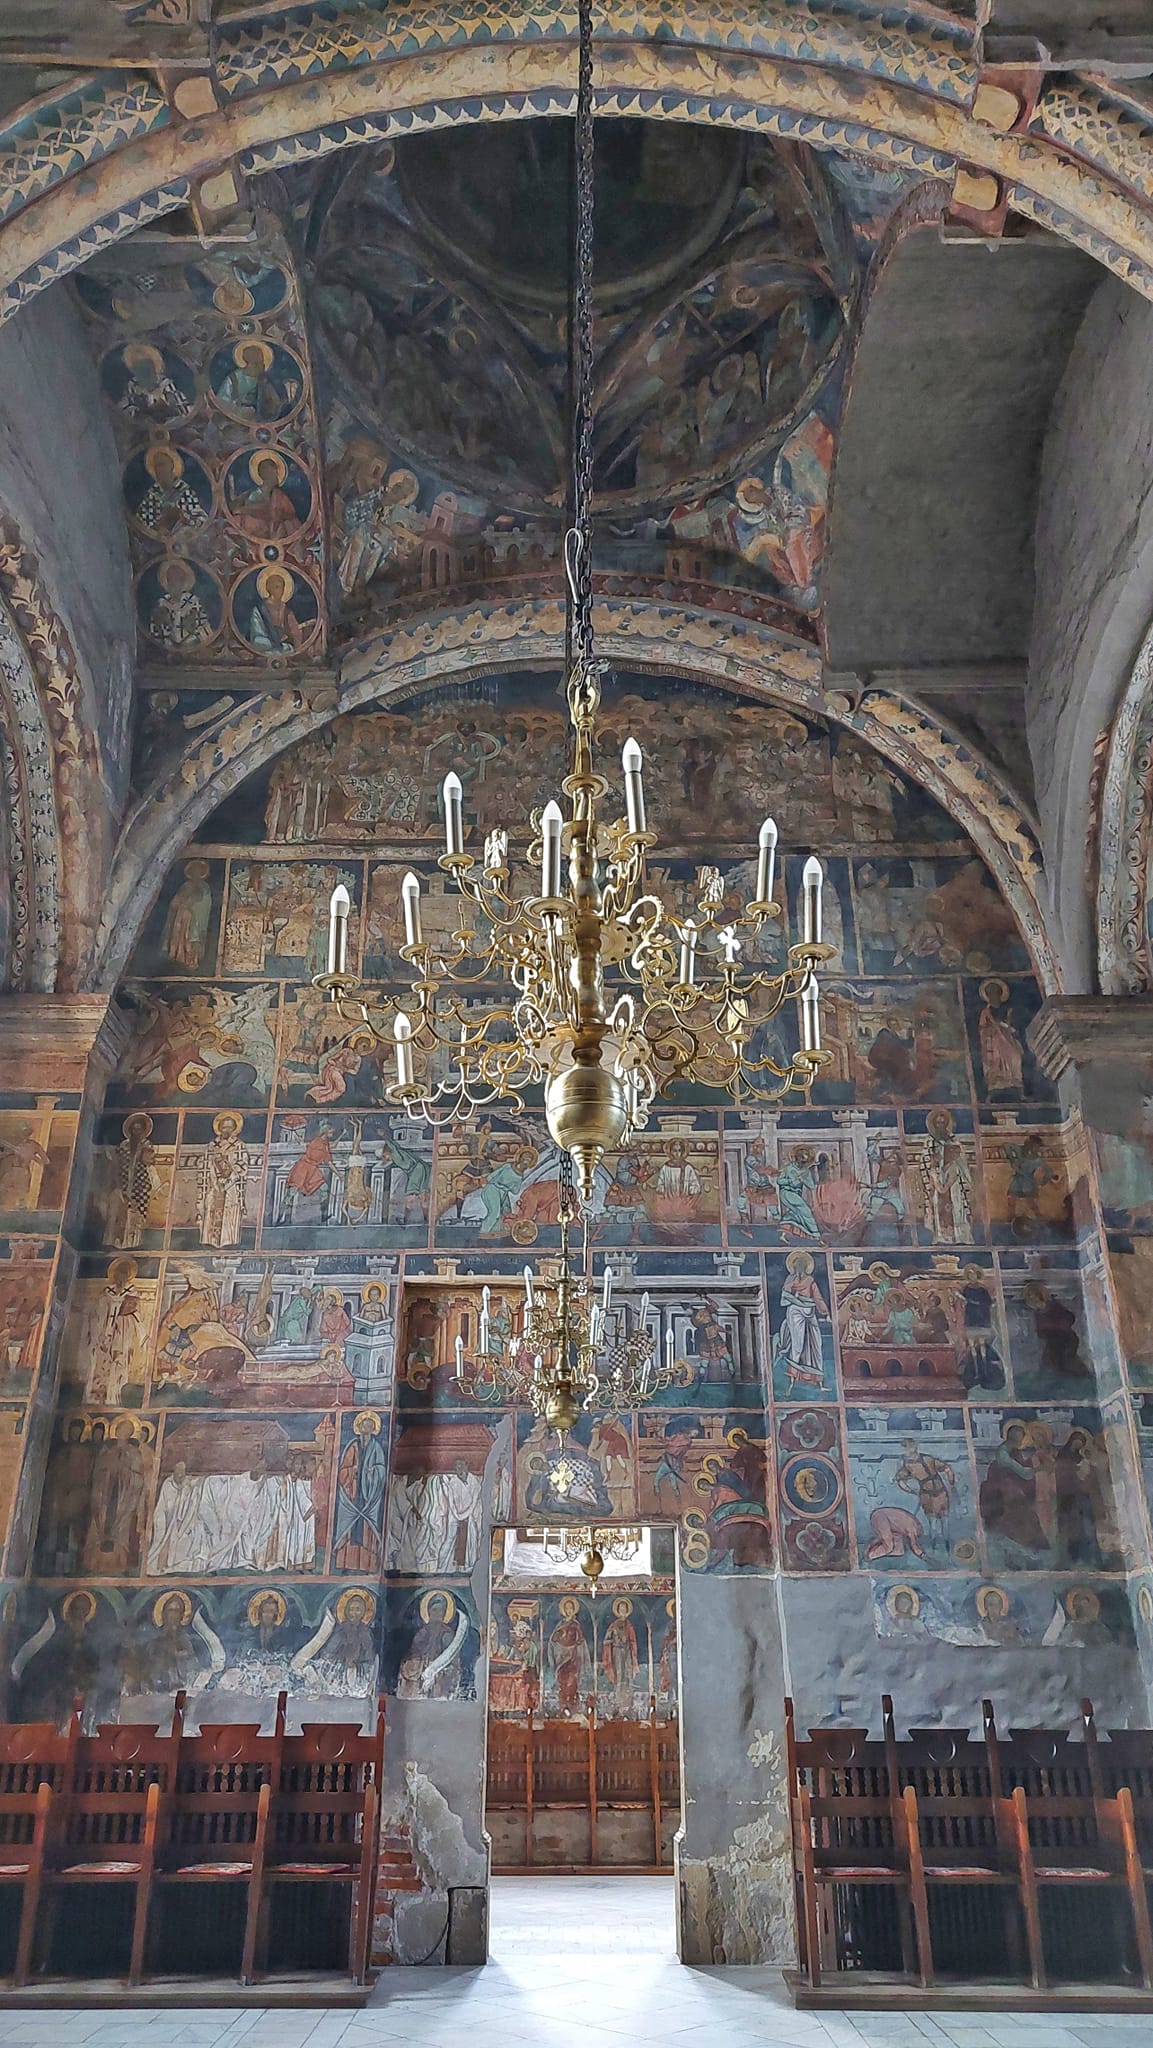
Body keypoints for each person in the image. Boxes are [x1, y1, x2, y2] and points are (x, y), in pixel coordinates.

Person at [774, 1250, 829, 1392]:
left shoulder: (810, 1280)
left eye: (801, 1265)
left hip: (810, 1311)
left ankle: (818, 1381)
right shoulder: (790, 1279)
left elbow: (817, 1297)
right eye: (797, 1265)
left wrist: (825, 1313)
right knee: (797, 1344)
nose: (799, 1268)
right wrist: (795, 1298)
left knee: (816, 1343)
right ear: (794, 1267)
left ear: (805, 1266)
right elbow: (785, 1297)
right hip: (795, 1312)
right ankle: (791, 1382)